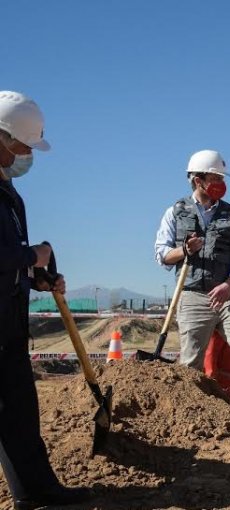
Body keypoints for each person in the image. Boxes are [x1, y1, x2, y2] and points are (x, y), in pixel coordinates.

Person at [0, 91, 92, 508]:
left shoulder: (8, 191)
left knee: (19, 411)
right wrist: (31, 255)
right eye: (20, 145)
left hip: (9, 317)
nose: (24, 154)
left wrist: (36, 278)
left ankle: (35, 492)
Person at [154, 150, 230, 409]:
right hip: (193, 295)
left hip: (228, 293)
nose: (220, 183)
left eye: (221, 177)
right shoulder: (175, 212)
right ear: (198, 180)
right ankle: (189, 410)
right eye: (214, 177)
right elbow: (161, 254)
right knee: (191, 362)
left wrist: (229, 284)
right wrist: (184, 250)